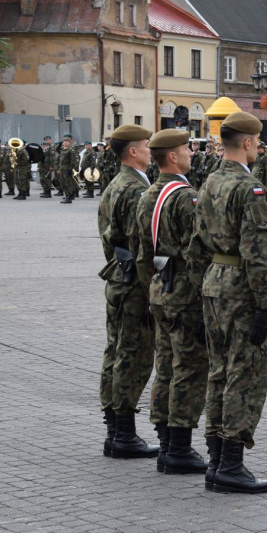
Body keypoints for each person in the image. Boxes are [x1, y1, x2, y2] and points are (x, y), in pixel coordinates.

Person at [193, 111, 267, 494]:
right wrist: (264, 303)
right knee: (245, 375)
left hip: (212, 284)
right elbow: (257, 250)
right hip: (241, 288)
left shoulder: (209, 180)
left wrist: (199, 292)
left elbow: (196, 244)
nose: (258, 147)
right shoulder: (250, 187)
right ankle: (231, 464)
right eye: (257, 141)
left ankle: (214, 459)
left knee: (218, 371)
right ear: (246, 142)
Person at [134, 129, 208, 475]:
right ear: (173, 157)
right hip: (184, 294)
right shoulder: (186, 197)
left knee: (165, 366)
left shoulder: (149, 194)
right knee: (189, 369)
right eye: (187, 150)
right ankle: (179, 446)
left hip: (159, 289)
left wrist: (150, 286)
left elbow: (142, 252)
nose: (192, 154)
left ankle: (165, 441)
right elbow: (197, 253)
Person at [96, 123, 158, 459]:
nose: (151, 150)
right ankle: (123, 433)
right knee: (133, 356)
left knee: (116, 351)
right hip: (134, 281)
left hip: (118, 276)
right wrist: (152, 287)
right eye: (146, 145)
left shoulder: (117, 183)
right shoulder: (135, 189)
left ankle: (114, 430)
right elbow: (141, 244)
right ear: (133, 151)